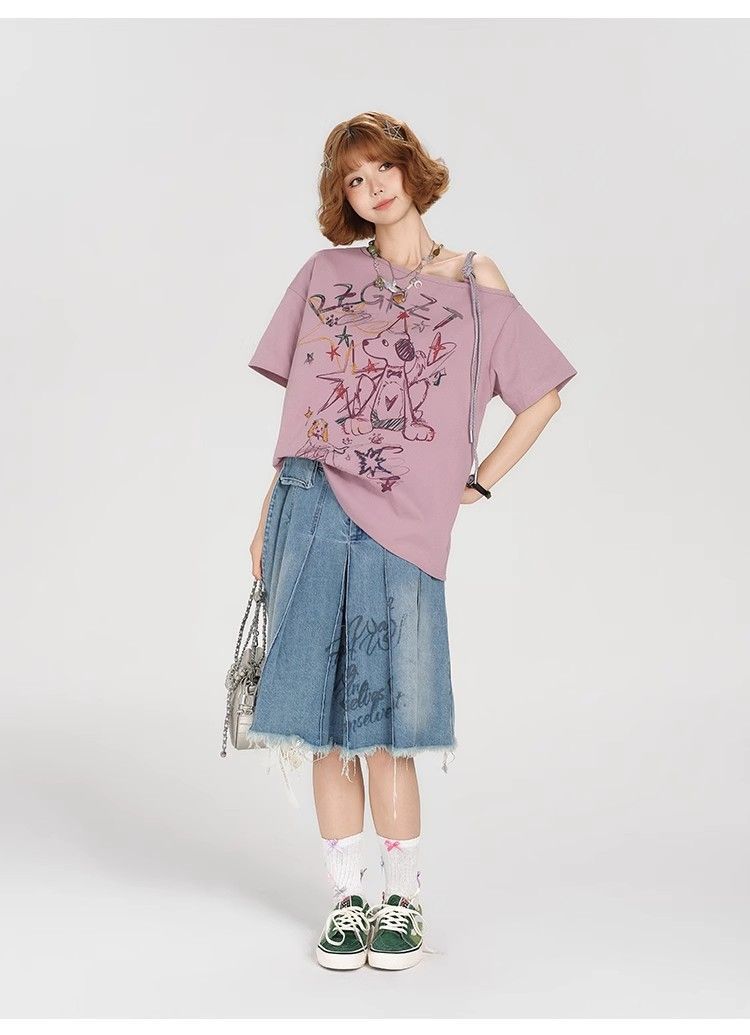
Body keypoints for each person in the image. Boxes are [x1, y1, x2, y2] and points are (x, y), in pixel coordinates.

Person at [243, 111, 578, 970]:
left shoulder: (473, 277)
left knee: (388, 716)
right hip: (310, 504)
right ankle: (346, 898)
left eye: (382, 167)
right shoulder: (326, 273)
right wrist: (266, 513)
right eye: (354, 179)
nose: (373, 187)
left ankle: (403, 898)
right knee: (321, 721)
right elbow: (307, 415)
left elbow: (541, 394)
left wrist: (478, 480)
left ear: (410, 169)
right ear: (344, 198)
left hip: (402, 526)